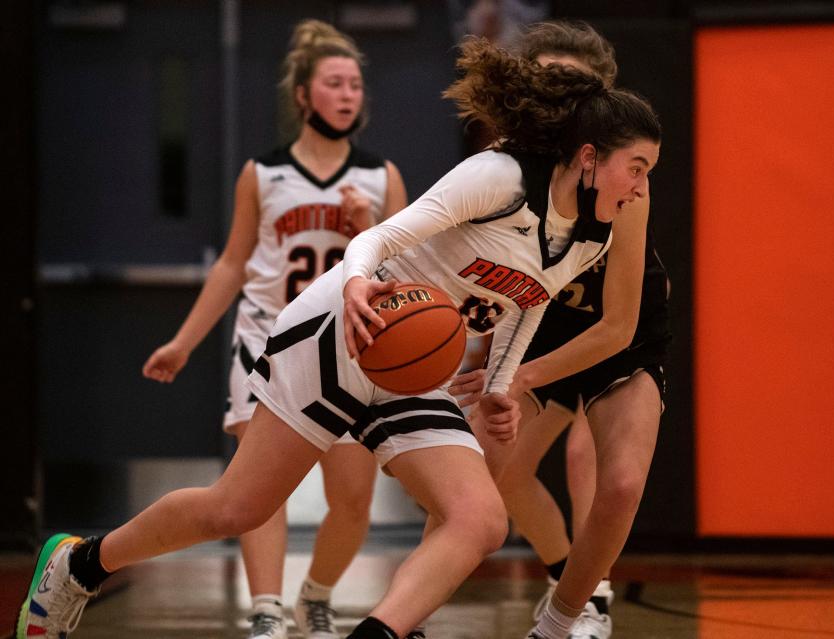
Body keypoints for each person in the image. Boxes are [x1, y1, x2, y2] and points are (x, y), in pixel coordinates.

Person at [17, 35, 660, 639]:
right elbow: (375, 239)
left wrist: (498, 386)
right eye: (636, 167)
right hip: (341, 330)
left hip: (412, 364)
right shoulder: (500, 178)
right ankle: (79, 566)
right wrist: (355, 284)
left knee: (480, 521)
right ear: (588, 158)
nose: (641, 186)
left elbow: (529, 301)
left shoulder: (593, 236)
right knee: (236, 507)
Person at [140, 20, 407, 639]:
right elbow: (234, 264)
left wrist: (367, 228)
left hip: (347, 345)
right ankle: (265, 612)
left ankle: (314, 596)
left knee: (352, 501)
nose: (348, 94)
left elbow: (405, 271)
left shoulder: (381, 177)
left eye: (356, 85)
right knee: (259, 492)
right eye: (335, 83)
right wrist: (183, 341)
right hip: (268, 340)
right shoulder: (262, 174)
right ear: (303, 96)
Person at [449, 20, 670, 639]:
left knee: (611, 476)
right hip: (539, 327)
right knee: (488, 474)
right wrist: (472, 351)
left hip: (615, 337)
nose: (564, 103)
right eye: (551, 84)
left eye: (578, 90)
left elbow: (619, 323)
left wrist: (521, 377)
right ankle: (562, 576)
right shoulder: (501, 173)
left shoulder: (622, 182)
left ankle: (576, 608)